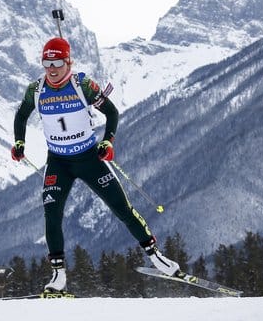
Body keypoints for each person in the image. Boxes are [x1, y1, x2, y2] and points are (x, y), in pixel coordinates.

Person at [11, 37, 180, 292]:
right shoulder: (35, 90)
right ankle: (58, 276)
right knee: (52, 215)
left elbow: (112, 113)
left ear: (68, 62)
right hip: (58, 162)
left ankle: (156, 256)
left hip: (89, 158)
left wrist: (107, 142)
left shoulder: (83, 85)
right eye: (46, 62)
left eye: (57, 62)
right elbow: (21, 115)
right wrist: (19, 143)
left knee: (122, 209)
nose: (51, 68)